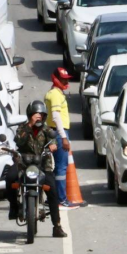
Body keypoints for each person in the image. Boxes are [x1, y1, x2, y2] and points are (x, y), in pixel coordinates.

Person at [5, 101, 68, 238]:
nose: (39, 117)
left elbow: (53, 140)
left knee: (52, 190)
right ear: (30, 115)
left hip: (42, 165)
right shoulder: (22, 128)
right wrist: (30, 126)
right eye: (36, 114)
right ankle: (14, 207)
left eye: (41, 114)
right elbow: (18, 141)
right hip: (23, 164)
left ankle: (56, 226)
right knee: (9, 178)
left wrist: (53, 145)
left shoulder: (46, 130)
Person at [45, 67, 77, 207]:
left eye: (67, 79)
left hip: (56, 132)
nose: (65, 81)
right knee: (61, 168)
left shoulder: (55, 93)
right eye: (63, 79)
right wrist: (63, 137)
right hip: (59, 132)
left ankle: (54, 197)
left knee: (57, 168)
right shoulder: (55, 94)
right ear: (55, 79)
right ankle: (61, 199)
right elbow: (56, 116)